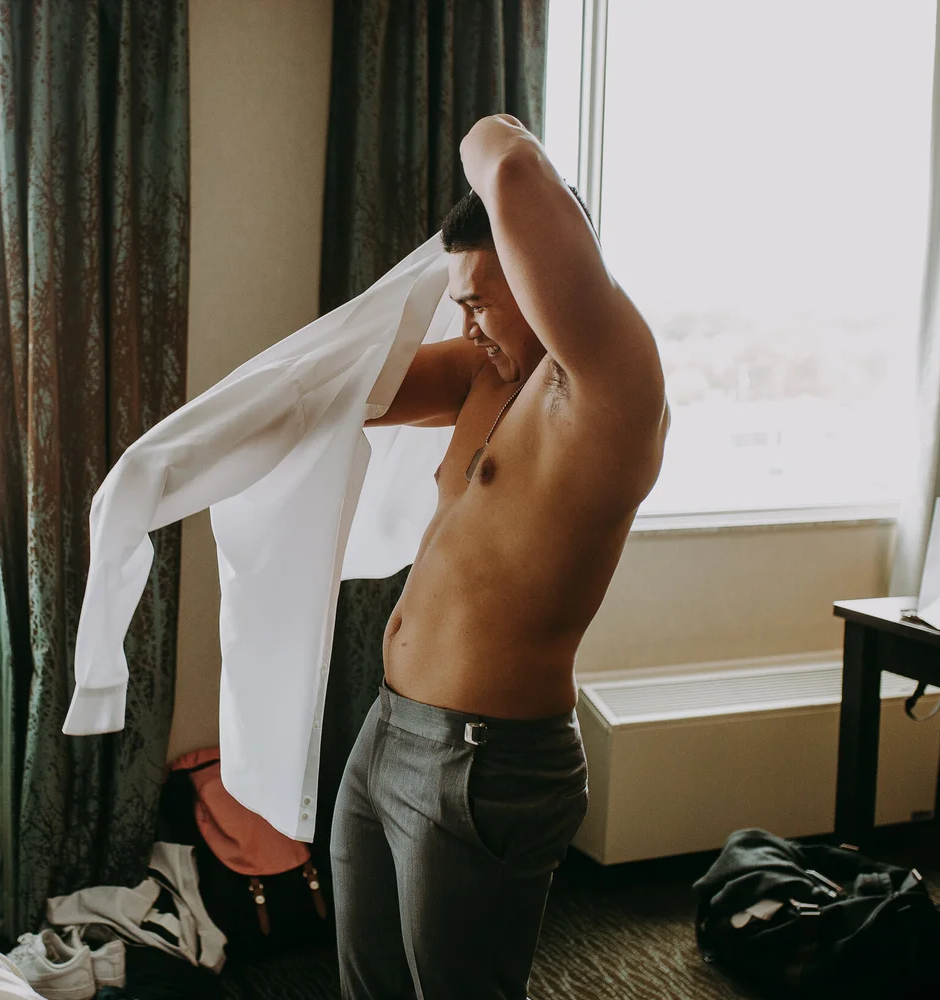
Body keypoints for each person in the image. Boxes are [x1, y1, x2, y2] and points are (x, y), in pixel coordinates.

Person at [329, 114, 670, 999]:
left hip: (486, 765)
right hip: (387, 731)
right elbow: (344, 393)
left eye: (482, 300)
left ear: (541, 275)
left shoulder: (609, 387)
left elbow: (509, 164)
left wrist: (491, 134)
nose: (468, 321)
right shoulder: (487, 376)